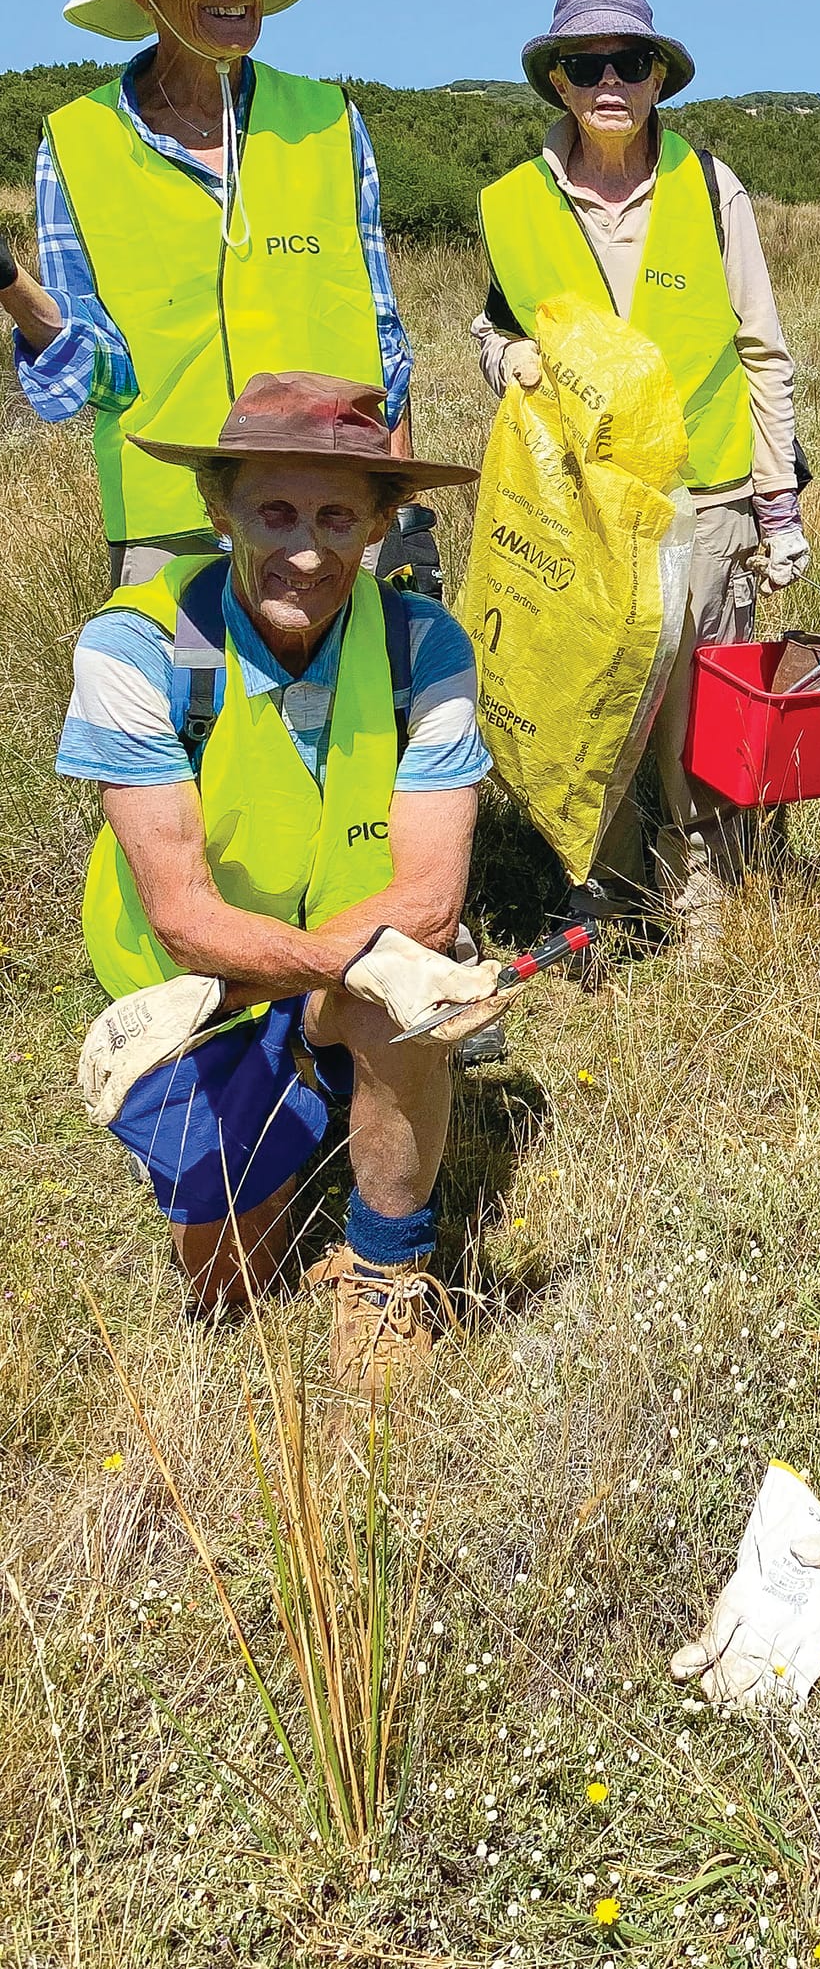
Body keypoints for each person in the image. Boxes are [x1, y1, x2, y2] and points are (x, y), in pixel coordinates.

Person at [61, 374, 502, 1404]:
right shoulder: (133, 647)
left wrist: (356, 981)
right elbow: (181, 915)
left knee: (407, 1000)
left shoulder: (421, 645)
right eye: (274, 510)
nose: (304, 549)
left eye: (338, 514)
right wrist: (337, 974)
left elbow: (430, 895)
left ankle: (389, 1264)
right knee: (230, 1289)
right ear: (219, 508)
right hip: (190, 989)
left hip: (338, 957)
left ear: (383, 524)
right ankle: (278, 1093)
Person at [472, 0, 806, 928]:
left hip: (708, 495)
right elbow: (491, 328)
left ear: (660, 77)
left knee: (698, 709)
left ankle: (700, 894)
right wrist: (506, 359)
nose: (610, 80)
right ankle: (605, 888)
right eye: (587, 65)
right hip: (580, 501)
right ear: (560, 84)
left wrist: (778, 507)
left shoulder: (711, 185)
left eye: (631, 63)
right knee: (593, 697)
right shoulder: (512, 204)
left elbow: (763, 347)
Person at [26, 0, 422, 588]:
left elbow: (382, 328)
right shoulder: (76, 142)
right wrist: (14, 293)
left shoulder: (331, 122)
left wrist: (402, 508)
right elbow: (93, 373)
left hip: (334, 512)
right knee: (195, 701)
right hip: (172, 527)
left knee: (348, 702)